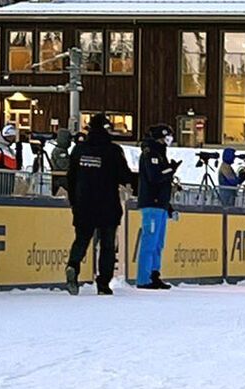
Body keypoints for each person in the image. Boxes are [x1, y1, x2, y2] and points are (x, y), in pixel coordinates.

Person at [64, 113, 134, 294]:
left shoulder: (79, 150)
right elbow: (124, 176)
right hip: (107, 203)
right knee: (107, 245)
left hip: (83, 204)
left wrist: (74, 201)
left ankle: (73, 265)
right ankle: (103, 283)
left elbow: (70, 177)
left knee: (81, 239)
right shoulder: (113, 150)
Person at [133, 124, 176, 290]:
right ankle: (144, 278)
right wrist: (169, 170)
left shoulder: (160, 153)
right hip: (152, 203)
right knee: (149, 242)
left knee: (158, 243)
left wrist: (167, 205)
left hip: (161, 204)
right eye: (167, 137)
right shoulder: (150, 153)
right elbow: (155, 176)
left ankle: (154, 273)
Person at [0, 123, 22, 195]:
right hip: (0, 184)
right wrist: (4, 172)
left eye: (12, 137)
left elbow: (17, 166)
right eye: (9, 137)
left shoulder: (9, 150)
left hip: (9, 184)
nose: (11, 140)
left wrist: (19, 151)